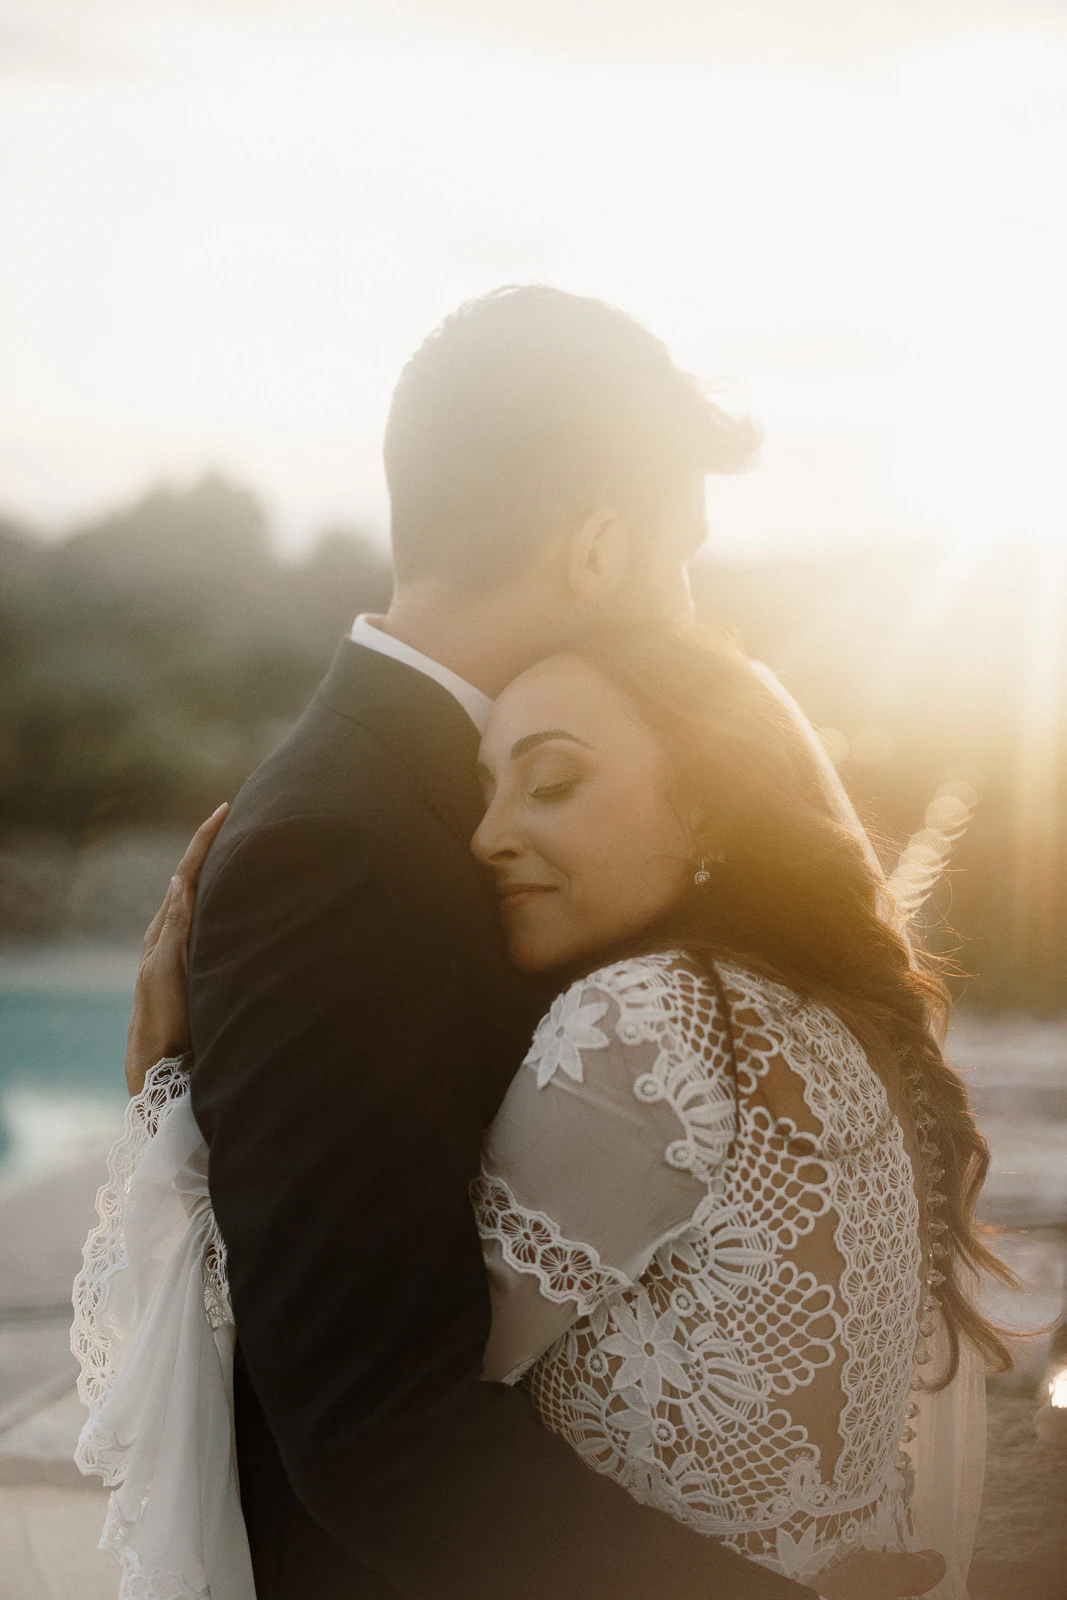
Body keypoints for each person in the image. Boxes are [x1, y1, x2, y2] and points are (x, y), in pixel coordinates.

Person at [72, 288, 975, 1600]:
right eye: (682, 561)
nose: (684, 608)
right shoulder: (339, 843)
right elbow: (375, 1425)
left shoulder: (458, 796)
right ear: (602, 549)